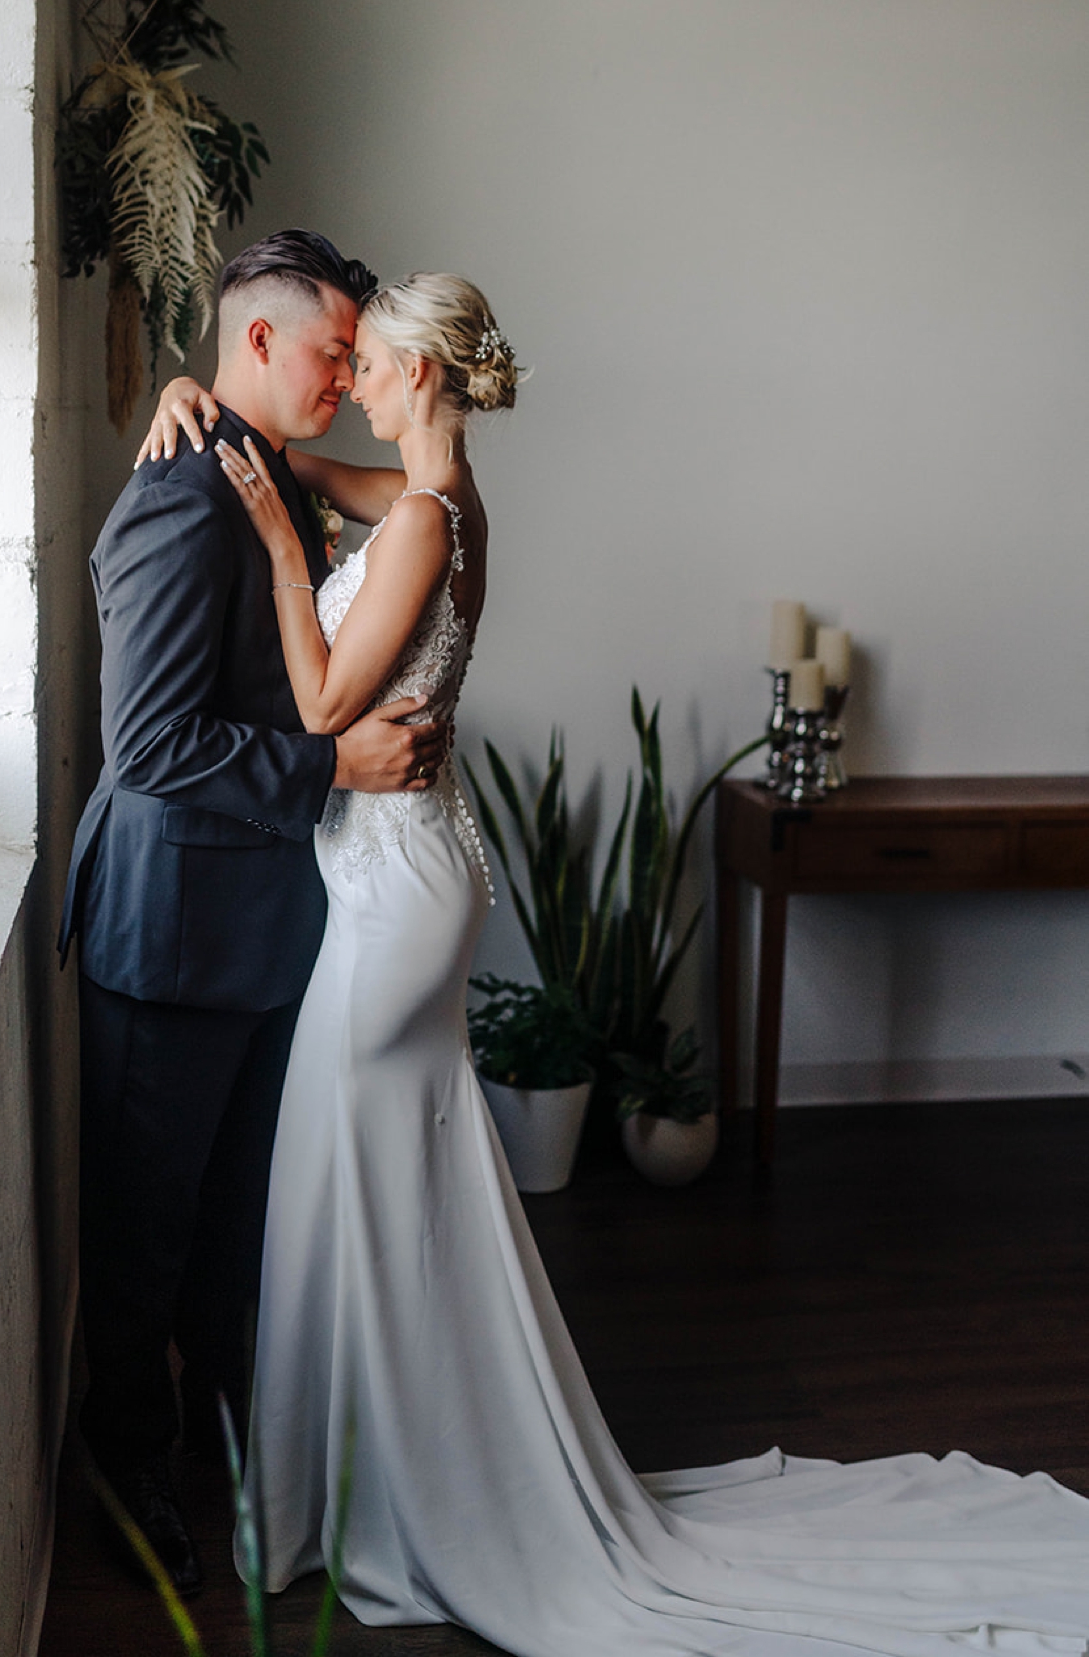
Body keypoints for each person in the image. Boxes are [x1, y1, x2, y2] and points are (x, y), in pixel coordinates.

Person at [150, 272, 1089, 1657]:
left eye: (373, 361)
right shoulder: (441, 497)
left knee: (345, 1174)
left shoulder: (418, 518)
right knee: (361, 1179)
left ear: (423, 375)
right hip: (406, 871)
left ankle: (374, 1498)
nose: (348, 376)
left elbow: (320, 704)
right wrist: (193, 398)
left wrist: (287, 569)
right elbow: (289, 461)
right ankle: (368, 1479)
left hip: (395, 884)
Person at [58, 231, 450, 1598]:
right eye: (335, 349)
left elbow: (421, 497)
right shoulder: (178, 499)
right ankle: (122, 1475)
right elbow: (149, 748)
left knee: (234, 1232)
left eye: (360, 354)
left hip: (269, 925)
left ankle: (237, 1459)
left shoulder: (266, 464)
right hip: (166, 935)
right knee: (146, 1239)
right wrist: (332, 764)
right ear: (264, 341)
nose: (349, 374)